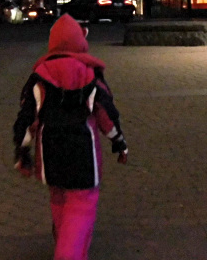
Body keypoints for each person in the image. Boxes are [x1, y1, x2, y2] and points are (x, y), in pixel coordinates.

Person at [13, 14, 128, 260]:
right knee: (81, 204)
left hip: (50, 149)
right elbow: (106, 113)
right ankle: (68, 254)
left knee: (59, 198)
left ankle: (67, 246)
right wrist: (119, 142)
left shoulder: (39, 76)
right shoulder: (90, 74)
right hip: (82, 151)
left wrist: (21, 151)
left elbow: (27, 118)